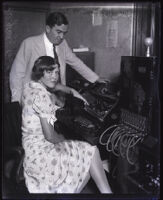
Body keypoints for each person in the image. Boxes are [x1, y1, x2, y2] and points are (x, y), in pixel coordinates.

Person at [21, 56, 113, 193]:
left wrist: (71, 91)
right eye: (49, 72)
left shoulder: (29, 87)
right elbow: (50, 137)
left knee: (85, 155)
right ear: (40, 73)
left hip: (30, 151)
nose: (54, 76)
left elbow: (54, 87)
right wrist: (65, 140)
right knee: (91, 150)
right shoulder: (41, 95)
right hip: (42, 155)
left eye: (57, 72)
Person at [10, 12, 106, 103]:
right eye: (58, 32)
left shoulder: (62, 44)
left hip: (58, 98)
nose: (61, 36)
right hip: (34, 100)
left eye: (64, 33)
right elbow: (16, 75)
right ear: (48, 28)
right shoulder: (29, 43)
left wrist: (96, 78)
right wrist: (16, 102)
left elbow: (76, 62)